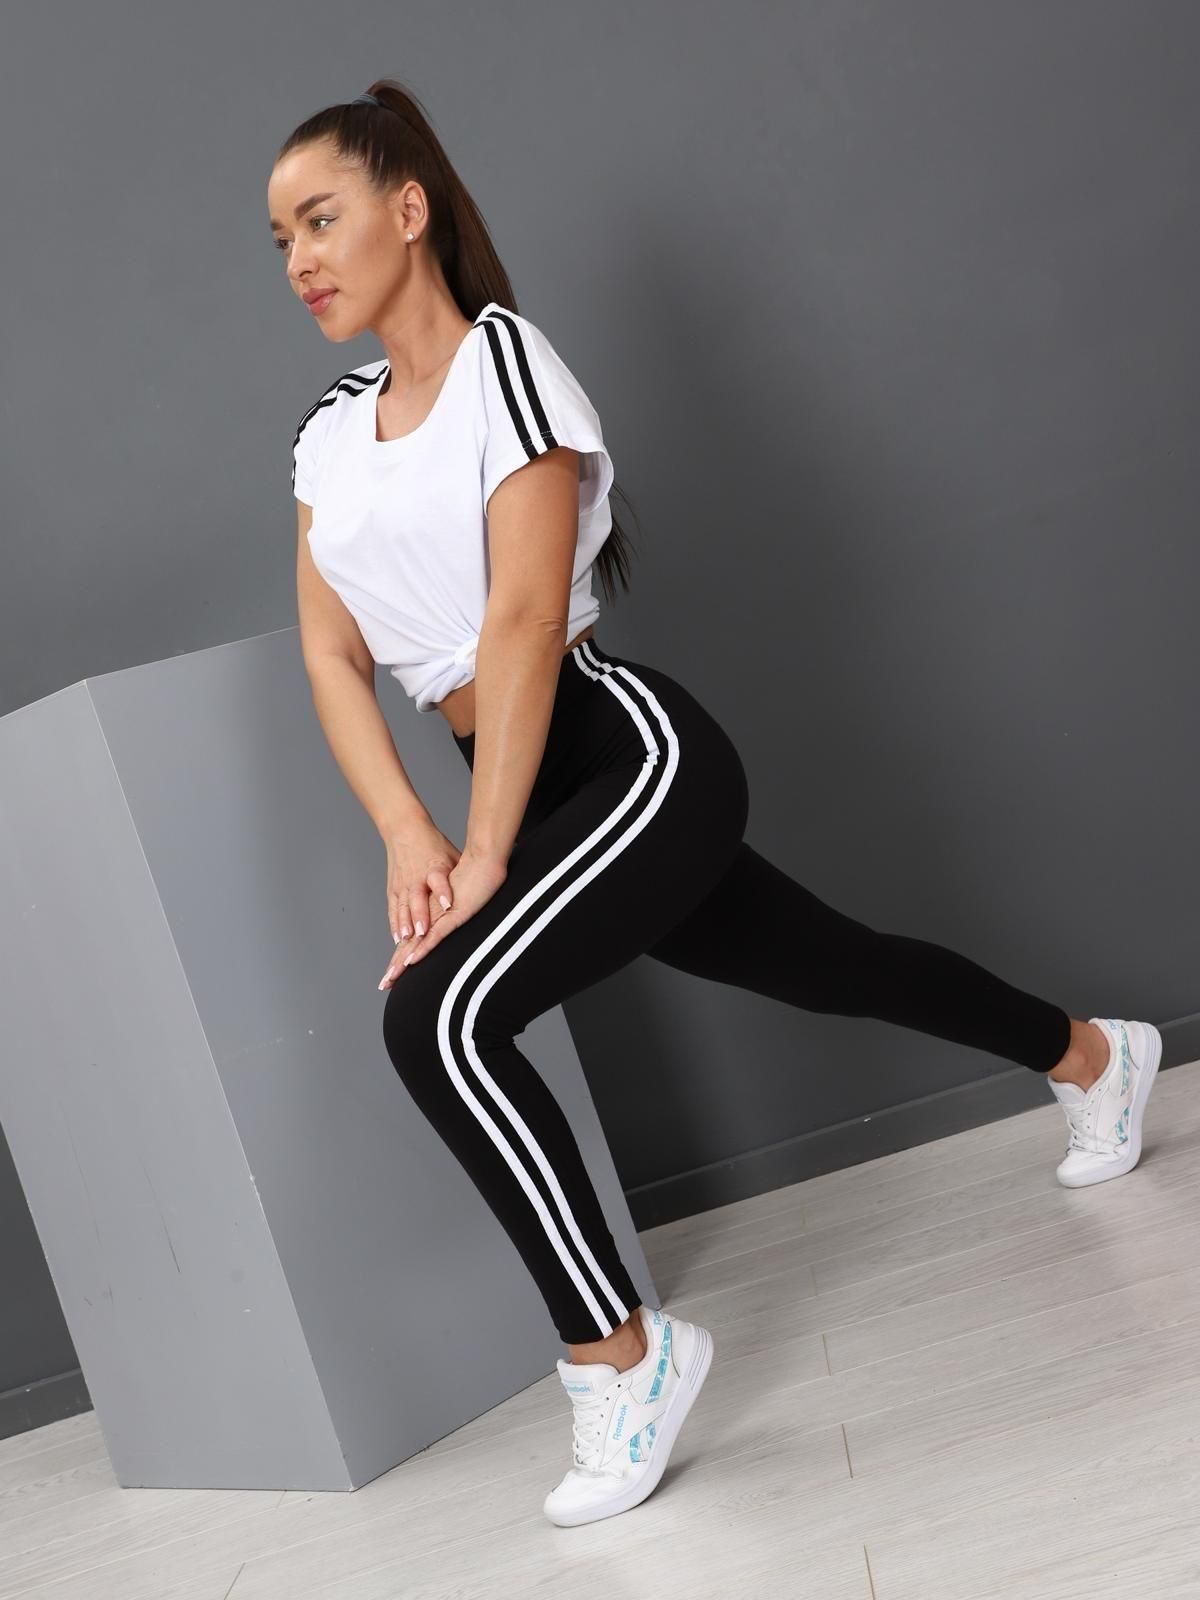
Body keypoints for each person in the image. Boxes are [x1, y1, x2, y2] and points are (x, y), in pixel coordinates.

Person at [267, 80, 1163, 1529]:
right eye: (282, 241)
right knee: (833, 964)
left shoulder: (508, 370)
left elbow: (520, 623)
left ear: (408, 209)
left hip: (623, 757)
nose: (301, 259)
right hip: (510, 786)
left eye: (322, 220)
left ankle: (623, 1361)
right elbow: (327, 651)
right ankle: (1094, 1058)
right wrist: (409, 830)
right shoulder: (328, 433)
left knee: (436, 1021)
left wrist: (482, 851)